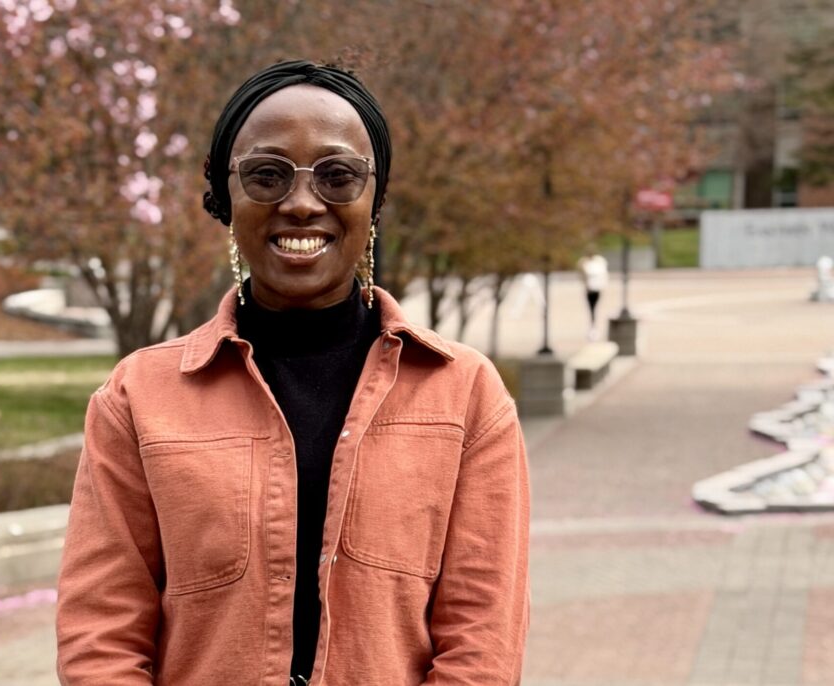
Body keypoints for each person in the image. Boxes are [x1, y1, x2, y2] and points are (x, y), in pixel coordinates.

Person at [56, 60, 530, 686]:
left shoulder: (466, 395)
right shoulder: (139, 399)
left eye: (337, 176)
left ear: (373, 200)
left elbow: (482, 645)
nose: (302, 203)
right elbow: (101, 636)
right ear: (227, 200)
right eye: (267, 175)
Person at [577, 246, 609, 340]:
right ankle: (593, 327)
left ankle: (594, 327)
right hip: (589, 288)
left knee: (593, 308)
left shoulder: (599, 262)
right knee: (592, 308)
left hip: (596, 288)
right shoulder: (584, 262)